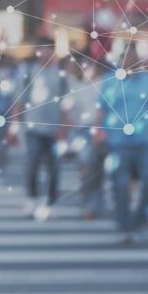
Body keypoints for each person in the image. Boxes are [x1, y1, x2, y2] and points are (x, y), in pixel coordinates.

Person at [95, 44, 148, 244]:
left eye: (133, 57)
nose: (130, 61)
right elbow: (101, 109)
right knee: (121, 184)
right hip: (118, 144)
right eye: (127, 57)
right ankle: (124, 225)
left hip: (144, 142)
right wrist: (98, 132)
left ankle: (140, 221)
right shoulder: (109, 81)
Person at [16, 38, 68, 220]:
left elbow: (66, 102)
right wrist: (15, 126)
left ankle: (50, 202)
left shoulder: (60, 74)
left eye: (48, 49)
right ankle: (32, 198)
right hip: (33, 127)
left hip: (54, 128)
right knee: (33, 163)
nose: (45, 53)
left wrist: (64, 127)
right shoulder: (28, 71)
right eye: (42, 49)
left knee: (54, 167)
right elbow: (20, 100)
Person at [64, 60, 106, 219]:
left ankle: (95, 202)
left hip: (100, 130)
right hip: (81, 131)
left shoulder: (103, 84)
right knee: (86, 167)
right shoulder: (76, 87)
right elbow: (67, 109)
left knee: (97, 168)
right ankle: (90, 203)